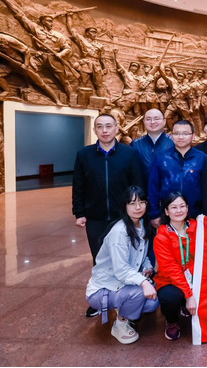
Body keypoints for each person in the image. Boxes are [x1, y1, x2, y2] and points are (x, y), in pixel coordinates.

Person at [72, 114, 143, 317]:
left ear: (116, 128)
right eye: (100, 126)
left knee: (127, 257)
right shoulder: (84, 155)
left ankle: (128, 296)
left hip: (124, 217)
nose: (105, 130)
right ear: (95, 130)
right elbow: (78, 185)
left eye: (109, 126)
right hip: (96, 217)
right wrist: (79, 212)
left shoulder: (129, 153)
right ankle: (100, 298)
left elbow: (137, 184)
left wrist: (137, 211)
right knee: (100, 259)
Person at [85, 186, 159, 344]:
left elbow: (142, 255)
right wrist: (143, 282)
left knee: (152, 302)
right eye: (132, 203)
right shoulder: (119, 232)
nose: (138, 207)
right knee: (141, 293)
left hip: (121, 284)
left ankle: (124, 305)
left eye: (142, 202)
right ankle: (120, 323)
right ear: (124, 206)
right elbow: (121, 270)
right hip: (103, 289)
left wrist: (147, 267)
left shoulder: (141, 225)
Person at [153, 192, 197, 341]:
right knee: (170, 297)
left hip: (194, 275)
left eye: (182, 206)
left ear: (187, 208)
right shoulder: (161, 236)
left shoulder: (197, 227)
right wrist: (189, 295)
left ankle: (185, 305)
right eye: (173, 207)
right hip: (170, 280)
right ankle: (171, 321)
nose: (179, 210)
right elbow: (171, 269)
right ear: (166, 211)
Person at [148, 120, 205, 226]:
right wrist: (154, 214)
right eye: (177, 133)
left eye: (185, 133)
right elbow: (153, 187)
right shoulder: (161, 158)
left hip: (196, 214)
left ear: (193, 136)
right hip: (167, 214)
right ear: (171, 136)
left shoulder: (202, 158)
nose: (181, 137)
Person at [131, 108, 174, 188]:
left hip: (169, 191)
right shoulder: (135, 144)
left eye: (156, 119)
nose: (153, 122)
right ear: (143, 122)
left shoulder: (173, 143)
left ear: (164, 121)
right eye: (148, 119)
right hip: (143, 191)